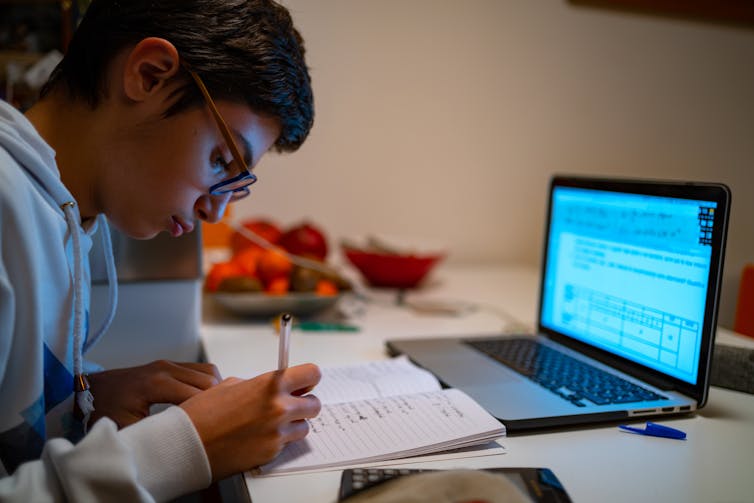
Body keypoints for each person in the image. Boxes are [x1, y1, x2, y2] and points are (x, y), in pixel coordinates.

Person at [0, 0, 322, 500]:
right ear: (149, 75)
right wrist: (185, 446)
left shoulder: (61, 213)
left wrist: (76, 402)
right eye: (221, 161)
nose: (215, 213)